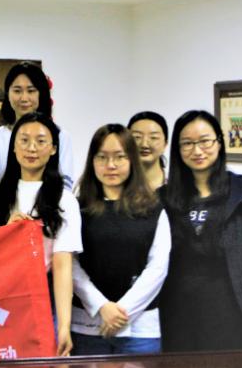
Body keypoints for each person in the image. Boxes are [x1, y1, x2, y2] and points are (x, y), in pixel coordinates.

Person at [159, 110, 242, 353]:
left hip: (232, 307)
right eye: (187, 143)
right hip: (177, 307)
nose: (197, 150)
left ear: (219, 143)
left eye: (205, 141)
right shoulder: (165, 197)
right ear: (177, 149)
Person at [0, 112, 81, 356]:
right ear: (13, 147)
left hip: (42, 299)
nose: (32, 148)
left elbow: (62, 266)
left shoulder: (64, 199)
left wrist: (64, 327)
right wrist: (8, 234)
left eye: (41, 141)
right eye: (24, 140)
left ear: (53, 149)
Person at [71, 124, 169, 355]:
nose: (111, 165)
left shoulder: (153, 208)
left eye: (119, 157)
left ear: (132, 160)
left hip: (140, 331)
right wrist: (101, 306)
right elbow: (70, 264)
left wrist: (121, 312)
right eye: (102, 157)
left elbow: (158, 268)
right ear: (92, 161)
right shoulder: (77, 208)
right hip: (87, 327)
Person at [0, 62, 75, 192]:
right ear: (8, 94)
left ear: (41, 94)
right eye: (17, 91)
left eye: (31, 91)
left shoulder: (60, 136)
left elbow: (65, 188)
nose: (24, 98)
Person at [128, 110, 169, 192]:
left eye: (153, 137)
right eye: (137, 137)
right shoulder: (117, 185)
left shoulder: (179, 185)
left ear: (165, 144)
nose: (144, 144)